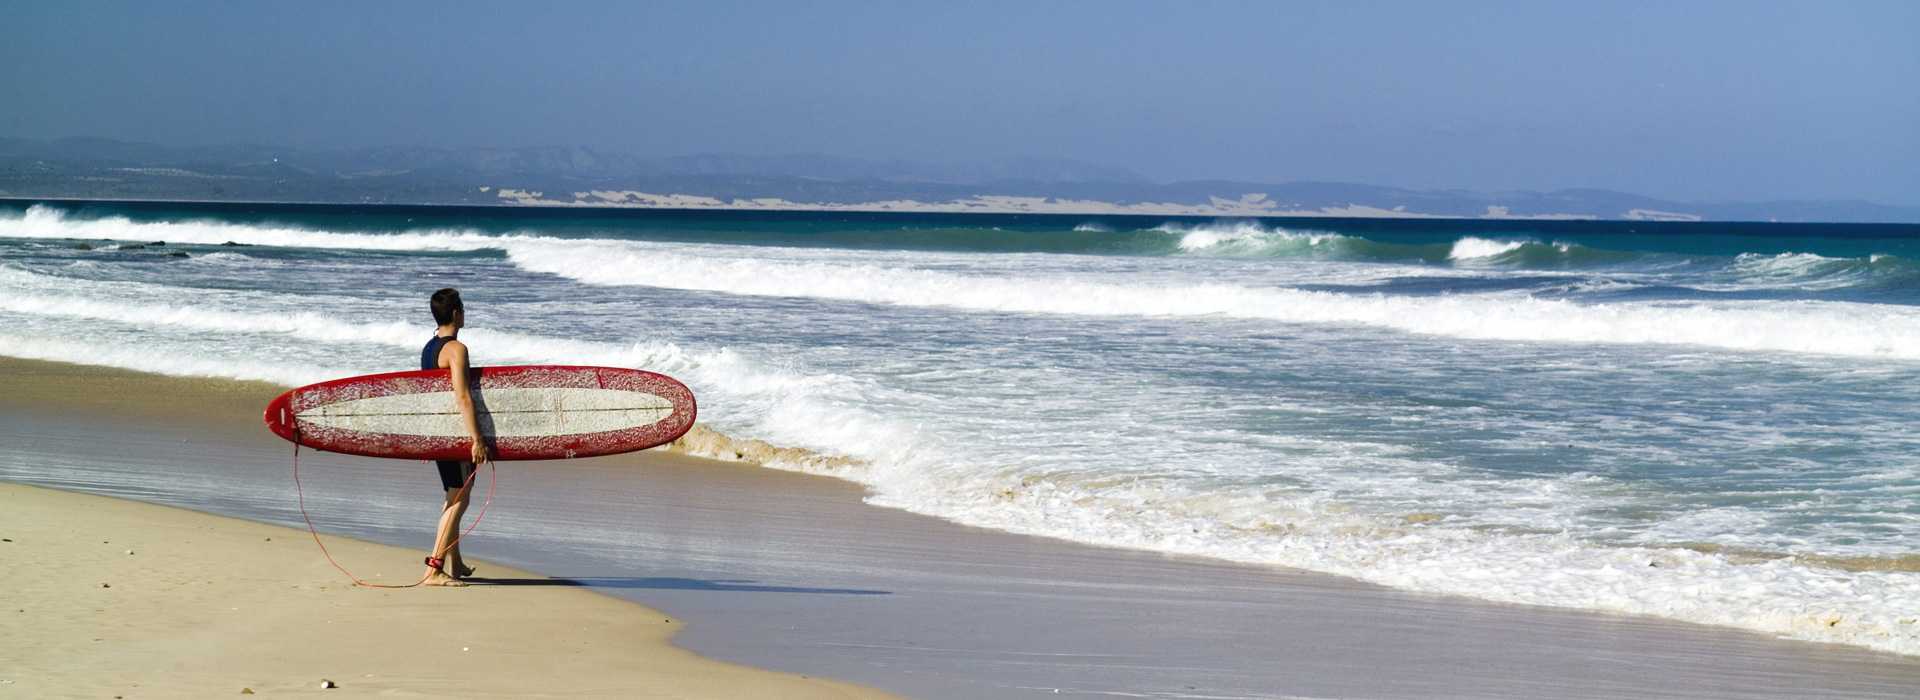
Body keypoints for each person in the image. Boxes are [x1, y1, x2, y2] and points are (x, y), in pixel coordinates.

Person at [421, 287, 487, 586]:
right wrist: (477, 438)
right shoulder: (457, 350)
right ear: (457, 313)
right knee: (460, 496)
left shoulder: (429, 348)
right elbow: (462, 396)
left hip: (439, 433)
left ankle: (455, 562)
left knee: (453, 493)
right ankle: (434, 569)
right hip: (455, 434)